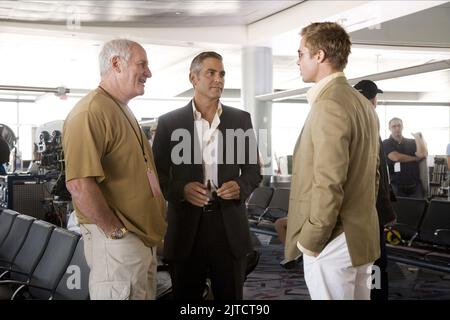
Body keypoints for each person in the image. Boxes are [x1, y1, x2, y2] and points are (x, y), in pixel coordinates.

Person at [63, 39, 167, 300]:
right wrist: (115, 232)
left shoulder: (122, 109)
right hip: (121, 243)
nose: (149, 72)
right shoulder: (90, 112)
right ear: (116, 64)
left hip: (141, 241)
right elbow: (79, 185)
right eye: (142, 64)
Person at [152, 51, 261, 300]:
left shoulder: (240, 120)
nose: (218, 79)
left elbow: (254, 171)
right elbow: (156, 175)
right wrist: (181, 189)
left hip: (229, 227)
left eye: (222, 74)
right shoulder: (170, 122)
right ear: (193, 78)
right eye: (211, 73)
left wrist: (240, 185)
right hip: (186, 230)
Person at [284, 22, 380, 300]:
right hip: (360, 236)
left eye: (301, 53)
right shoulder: (361, 102)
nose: (298, 61)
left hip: (333, 241)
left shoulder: (329, 104)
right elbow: (373, 175)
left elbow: (329, 182)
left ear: (319, 55)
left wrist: (310, 240)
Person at [354, 79, 397, 300]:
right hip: (372, 212)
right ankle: (377, 296)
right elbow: (377, 173)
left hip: (355, 211)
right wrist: (387, 212)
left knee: (364, 261)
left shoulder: (351, 120)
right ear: (372, 100)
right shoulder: (370, 122)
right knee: (377, 259)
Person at [383, 117, 428, 198]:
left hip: (415, 185)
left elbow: (422, 154)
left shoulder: (412, 142)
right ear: (389, 128)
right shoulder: (386, 143)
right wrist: (415, 158)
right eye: (394, 126)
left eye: (399, 125)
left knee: (418, 209)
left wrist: (418, 138)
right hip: (396, 186)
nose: (397, 128)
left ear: (402, 127)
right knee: (398, 210)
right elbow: (396, 157)